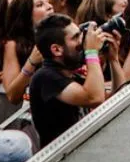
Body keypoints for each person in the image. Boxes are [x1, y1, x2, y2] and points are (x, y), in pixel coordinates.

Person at [28, 15, 121, 147]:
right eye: (75, 37)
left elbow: (117, 97)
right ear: (56, 49)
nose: (82, 41)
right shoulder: (45, 77)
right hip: (60, 160)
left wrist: (113, 59)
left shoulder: (70, 74)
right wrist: (91, 52)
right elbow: (94, 98)